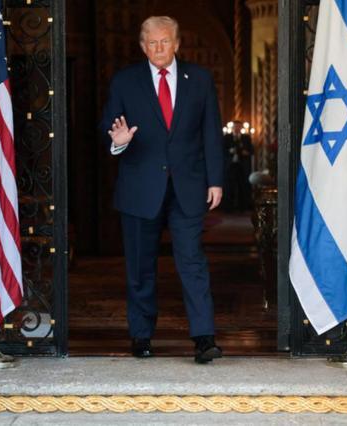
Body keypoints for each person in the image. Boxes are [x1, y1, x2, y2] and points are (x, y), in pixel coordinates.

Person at [100, 16, 224, 364]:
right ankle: (141, 336)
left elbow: (211, 132)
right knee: (140, 266)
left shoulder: (199, 79)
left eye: (164, 41)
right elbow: (107, 126)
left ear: (177, 44)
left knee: (192, 262)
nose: (158, 48)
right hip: (140, 188)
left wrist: (215, 180)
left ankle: (204, 338)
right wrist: (118, 140)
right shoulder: (125, 81)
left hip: (189, 187)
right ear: (143, 47)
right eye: (152, 42)